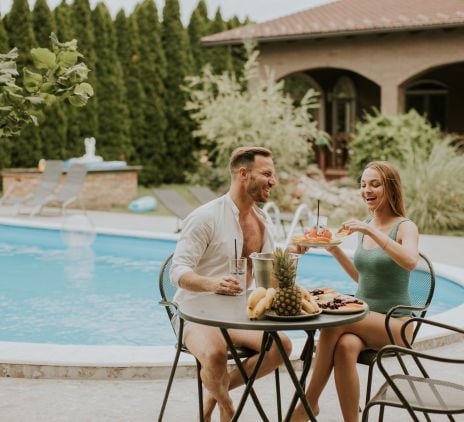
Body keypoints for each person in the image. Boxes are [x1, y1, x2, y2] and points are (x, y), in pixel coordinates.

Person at [170, 146, 304, 422]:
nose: (273, 181)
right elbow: (178, 271)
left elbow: (269, 280)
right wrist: (212, 284)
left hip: (238, 315)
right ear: (244, 174)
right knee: (216, 353)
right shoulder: (205, 217)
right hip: (197, 314)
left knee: (283, 346)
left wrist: (292, 253)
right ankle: (226, 407)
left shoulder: (262, 221)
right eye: (267, 174)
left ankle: (216, 394)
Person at [291, 160, 419, 422]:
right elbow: (362, 277)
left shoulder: (405, 226)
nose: (366, 190)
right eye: (363, 184)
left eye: (374, 184)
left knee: (333, 324)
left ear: (391, 188)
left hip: (397, 323)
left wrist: (371, 229)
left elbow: (410, 261)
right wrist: (333, 248)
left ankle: (308, 404)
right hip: (367, 319)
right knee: (345, 347)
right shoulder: (365, 226)